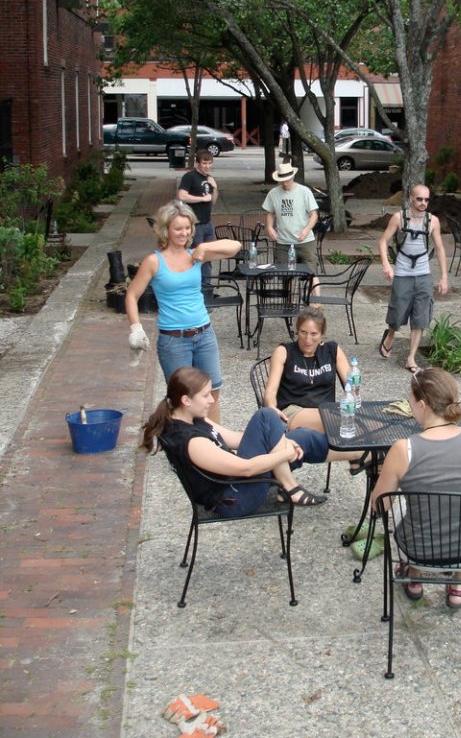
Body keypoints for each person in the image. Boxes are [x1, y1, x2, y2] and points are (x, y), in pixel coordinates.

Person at [372, 367, 461, 609]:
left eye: (410, 401)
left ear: (422, 404)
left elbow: (380, 505)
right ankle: (458, 585)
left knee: (404, 504)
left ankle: (415, 577)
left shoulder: (403, 449)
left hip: (419, 552)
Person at [140, 366, 358, 513]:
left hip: (238, 482)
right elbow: (246, 469)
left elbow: (236, 439)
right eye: (205, 395)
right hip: (234, 498)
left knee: (299, 436)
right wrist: (284, 452)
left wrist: (280, 441)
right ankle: (290, 487)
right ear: (186, 400)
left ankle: (361, 453)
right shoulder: (189, 441)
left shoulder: (192, 417)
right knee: (267, 415)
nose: (211, 400)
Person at [125, 200, 241, 424]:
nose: (184, 232)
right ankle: (184, 448)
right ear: (165, 230)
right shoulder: (153, 261)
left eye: (187, 228)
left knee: (212, 393)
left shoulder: (196, 255)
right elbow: (131, 296)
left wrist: (205, 247)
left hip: (204, 334)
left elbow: (235, 246)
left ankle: (213, 443)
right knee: (182, 400)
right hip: (173, 340)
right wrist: (135, 329)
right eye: (178, 228)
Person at [378, 184, 449, 373]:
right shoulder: (399, 218)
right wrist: (386, 264)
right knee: (398, 312)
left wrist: (443, 277)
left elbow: (440, 248)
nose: (423, 203)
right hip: (402, 273)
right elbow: (383, 241)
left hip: (423, 274)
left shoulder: (433, 221)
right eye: (419, 199)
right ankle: (390, 334)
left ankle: (411, 358)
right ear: (411, 198)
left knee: (420, 317)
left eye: (426, 200)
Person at [263, 306, 351, 434]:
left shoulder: (332, 350)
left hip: (326, 411)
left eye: (314, 334)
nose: (308, 339)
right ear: (297, 331)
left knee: (358, 428)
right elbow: (270, 391)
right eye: (303, 332)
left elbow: (352, 385)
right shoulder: (284, 352)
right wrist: (271, 406)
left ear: (322, 335)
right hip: (293, 411)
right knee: (342, 423)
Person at [263, 162, 319, 269]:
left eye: (287, 180)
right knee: (284, 273)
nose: (285, 183)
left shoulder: (304, 191)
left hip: (304, 240)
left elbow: (314, 215)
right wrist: (269, 227)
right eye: (282, 181)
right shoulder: (273, 193)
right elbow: (270, 213)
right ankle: (288, 286)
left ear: (293, 176)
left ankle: (314, 286)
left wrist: (306, 230)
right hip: (283, 241)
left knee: (311, 273)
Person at [176, 149, 218, 288]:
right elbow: (182, 196)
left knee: (208, 256)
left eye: (209, 163)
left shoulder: (209, 179)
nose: (207, 166)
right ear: (198, 163)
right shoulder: (190, 176)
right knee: (195, 255)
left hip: (207, 222)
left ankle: (206, 286)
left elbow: (213, 201)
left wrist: (215, 187)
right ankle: (194, 285)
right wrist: (201, 198)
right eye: (204, 163)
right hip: (195, 223)